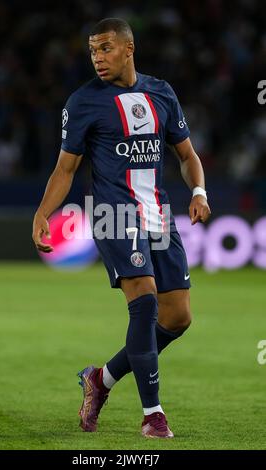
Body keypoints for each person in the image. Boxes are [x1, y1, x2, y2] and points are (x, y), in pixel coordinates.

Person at [32, 17, 211, 439]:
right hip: (113, 214)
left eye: (106, 48)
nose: (98, 57)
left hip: (159, 215)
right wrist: (43, 212)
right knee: (145, 303)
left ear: (129, 49)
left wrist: (199, 191)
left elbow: (187, 155)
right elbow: (65, 168)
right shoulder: (83, 102)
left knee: (178, 317)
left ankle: (101, 380)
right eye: (93, 50)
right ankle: (153, 415)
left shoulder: (161, 92)